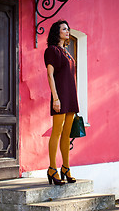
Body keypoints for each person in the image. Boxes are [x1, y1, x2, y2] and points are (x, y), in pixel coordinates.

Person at [44, 20, 79, 185]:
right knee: (56, 133)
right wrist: (55, 98)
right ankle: (52, 168)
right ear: (56, 32)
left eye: (68, 28)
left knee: (67, 134)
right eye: (64, 28)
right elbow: (50, 75)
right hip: (60, 96)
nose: (67, 30)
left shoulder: (67, 52)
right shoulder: (52, 51)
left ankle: (66, 167)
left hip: (71, 96)